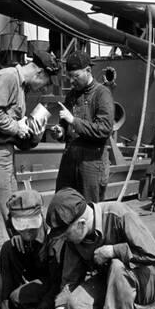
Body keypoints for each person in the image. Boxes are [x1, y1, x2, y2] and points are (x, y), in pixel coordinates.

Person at [0, 51, 61, 259]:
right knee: (3, 223)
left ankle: (13, 272)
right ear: (40, 73)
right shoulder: (9, 77)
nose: (43, 88)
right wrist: (16, 128)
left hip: (3, 154)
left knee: (13, 215)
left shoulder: (19, 85)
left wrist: (31, 131)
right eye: (46, 83)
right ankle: (8, 281)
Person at [0, 190, 61, 309]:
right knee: (7, 249)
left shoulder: (53, 237)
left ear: (40, 216)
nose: (27, 230)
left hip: (52, 281)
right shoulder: (16, 230)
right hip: (32, 274)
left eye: (31, 223)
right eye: (21, 224)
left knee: (17, 297)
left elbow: (58, 282)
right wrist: (16, 236)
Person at [52, 51, 114, 202]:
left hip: (92, 162)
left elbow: (104, 129)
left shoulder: (102, 94)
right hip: (70, 159)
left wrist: (73, 121)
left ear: (88, 71)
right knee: (62, 202)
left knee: (90, 210)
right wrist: (60, 132)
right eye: (69, 77)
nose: (72, 81)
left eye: (76, 76)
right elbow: (66, 126)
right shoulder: (71, 95)